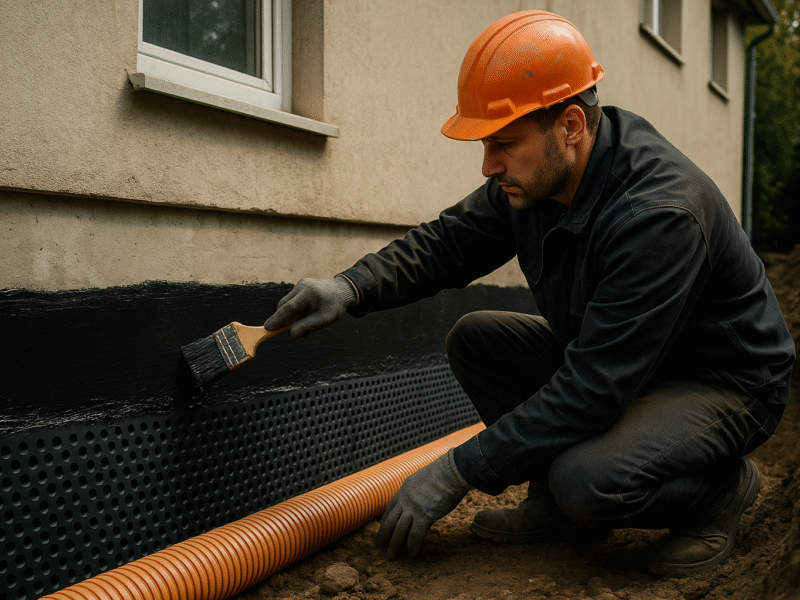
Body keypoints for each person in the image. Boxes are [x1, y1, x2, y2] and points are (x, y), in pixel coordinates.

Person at [264, 11, 795, 576]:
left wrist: (457, 470)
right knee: (480, 340)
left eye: (504, 144)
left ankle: (718, 492)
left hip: (721, 381)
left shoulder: (659, 215)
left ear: (570, 124)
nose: (489, 165)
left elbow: (592, 390)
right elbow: (447, 243)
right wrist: (349, 287)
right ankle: (552, 508)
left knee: (588, 480)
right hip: (625, 362)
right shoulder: (541, 174)